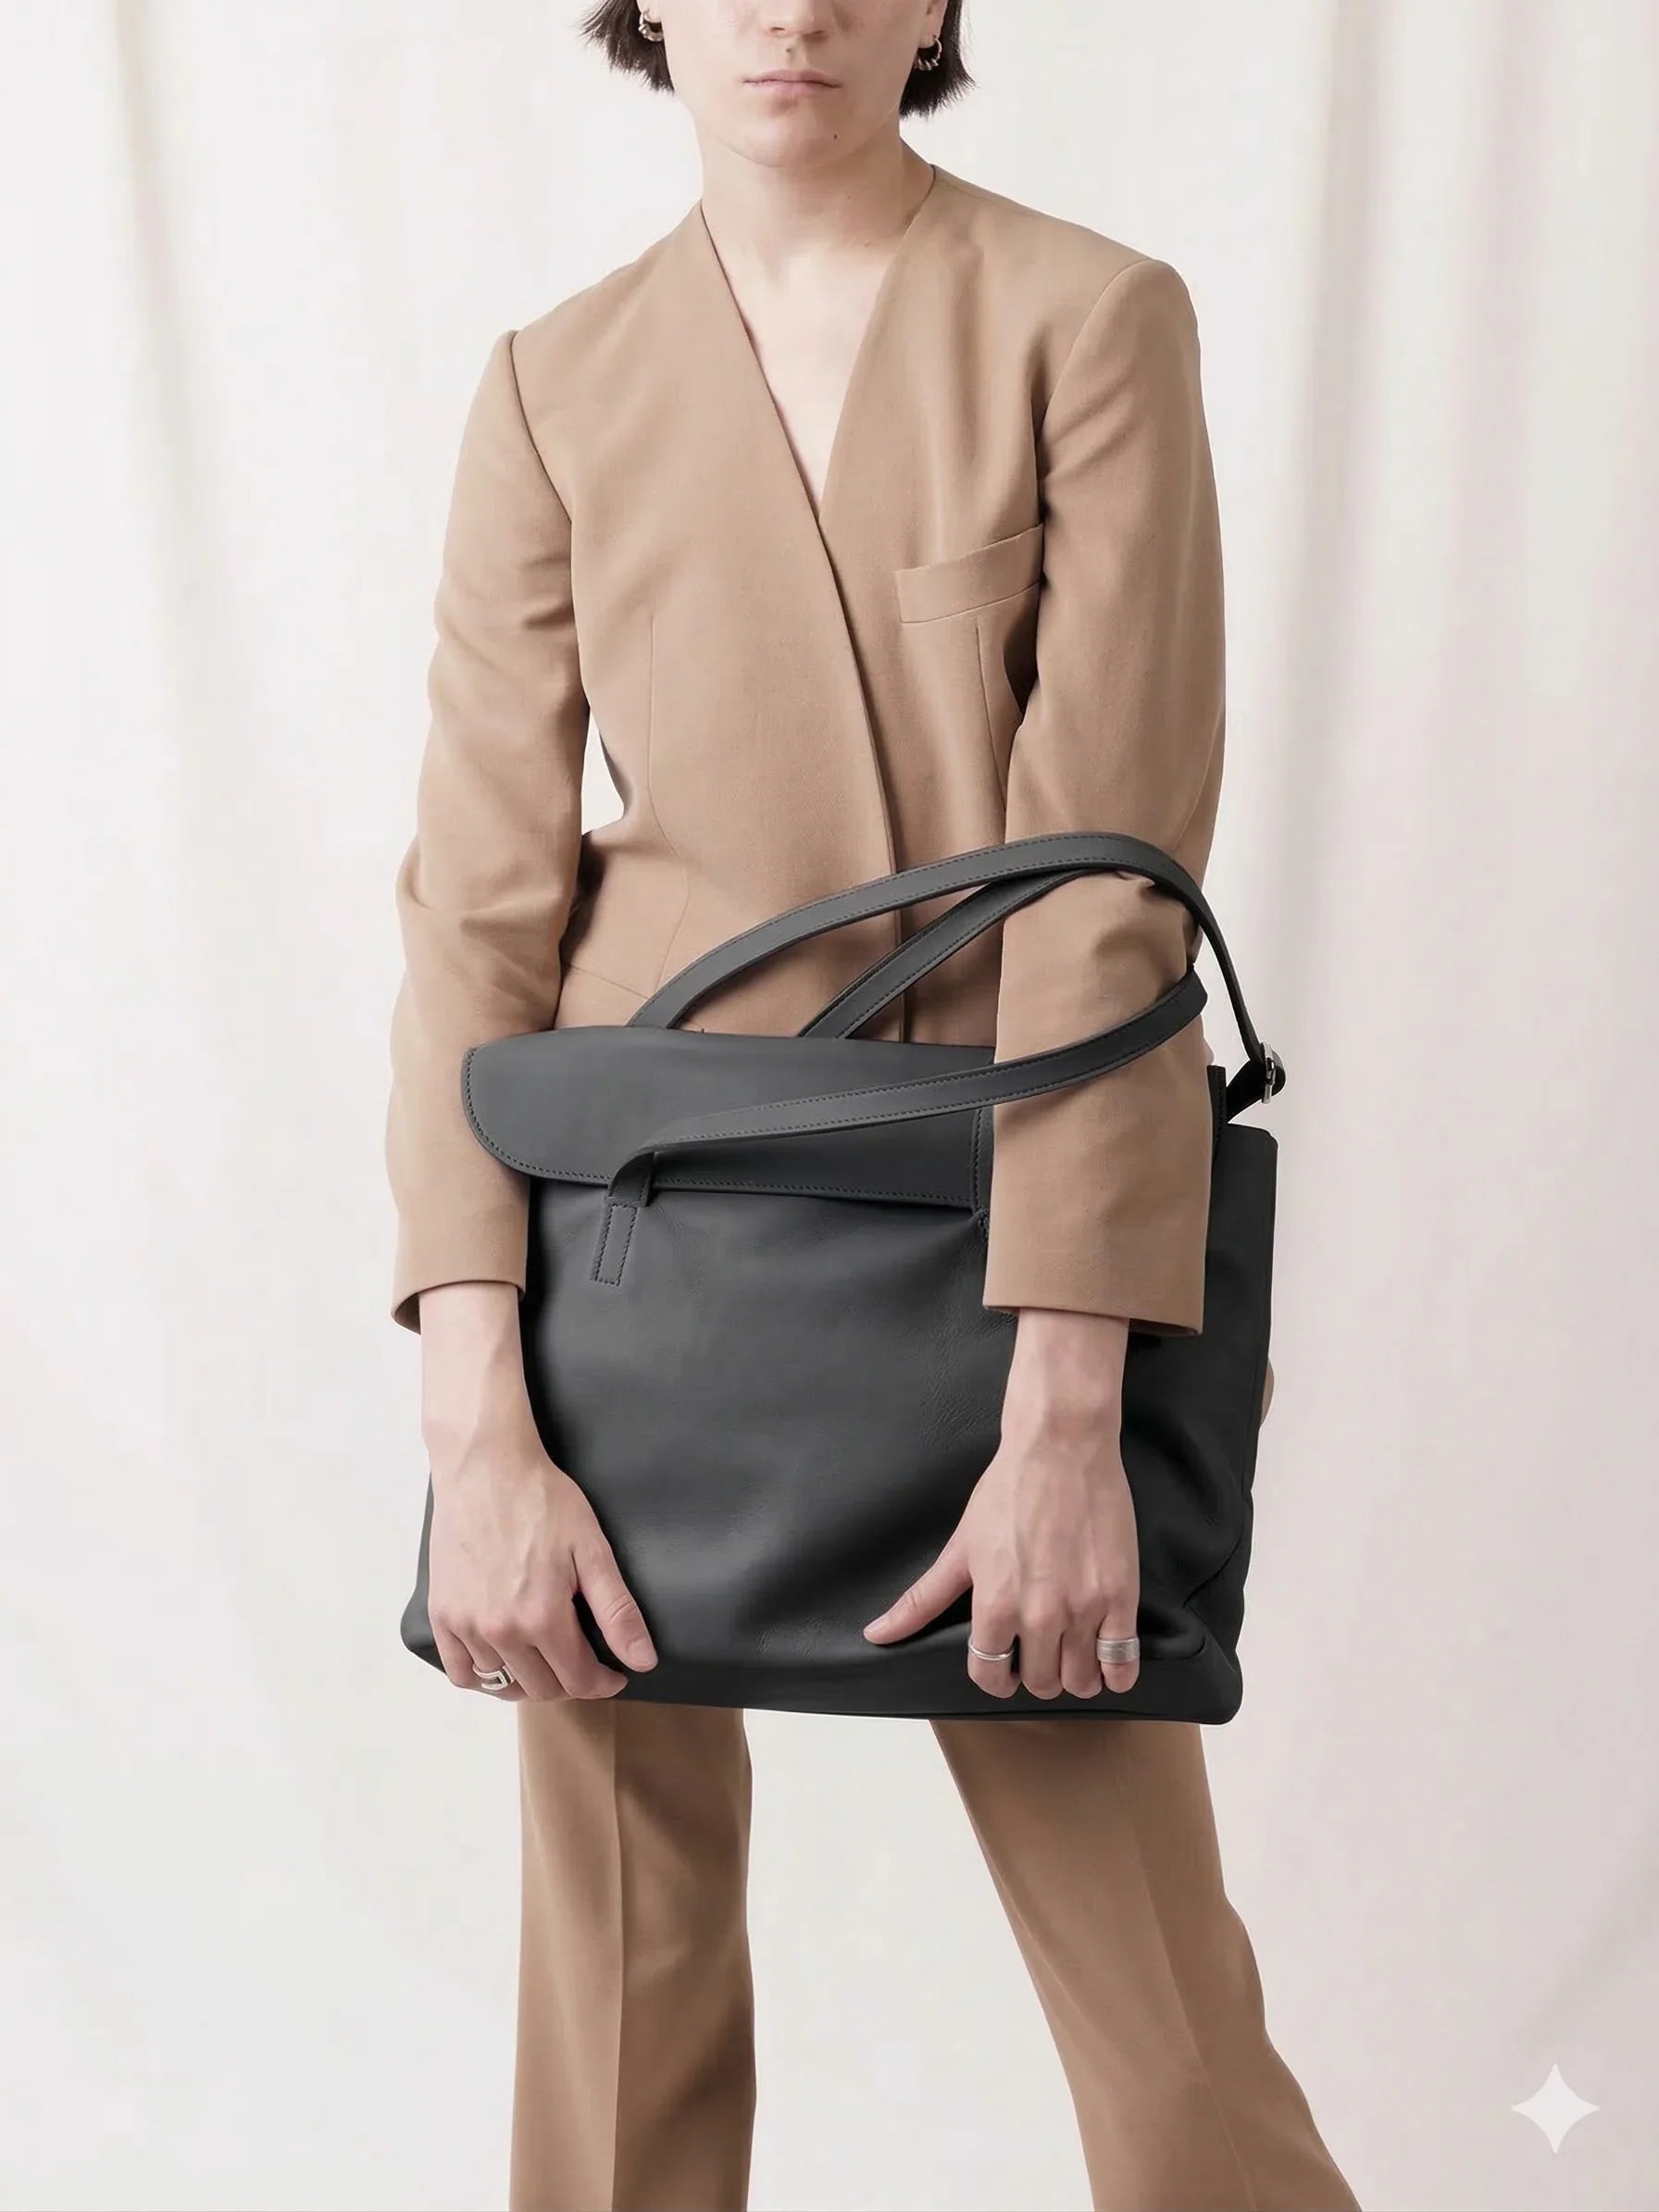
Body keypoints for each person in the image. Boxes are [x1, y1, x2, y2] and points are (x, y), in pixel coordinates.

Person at [383, 4, 1355, 2206]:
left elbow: (1109, 899)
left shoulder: (1084, 319)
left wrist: (1068, 1415)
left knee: (1161, 2019)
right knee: (614, 2016)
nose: (791, 7)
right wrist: (474, 1421)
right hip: (624, 1285)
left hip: (1003, 1265)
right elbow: (475, 911)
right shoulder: (554, 382)